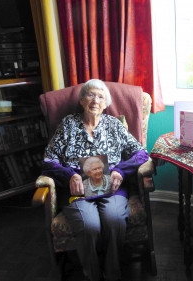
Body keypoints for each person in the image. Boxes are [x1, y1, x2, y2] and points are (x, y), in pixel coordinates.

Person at [41, 79, 149, 281]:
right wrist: (69, 175)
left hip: (113, 188)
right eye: (90, 95)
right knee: (90, 226)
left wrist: (121, 171)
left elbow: (141, 154)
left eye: (100, 96)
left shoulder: (114, 125)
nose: (95, 100)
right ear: (82, 100)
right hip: (79, 191)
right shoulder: (68, 125)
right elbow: (48, 160)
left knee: (115, 220)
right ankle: (93, 275)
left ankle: (112, 273)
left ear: (106, 103)